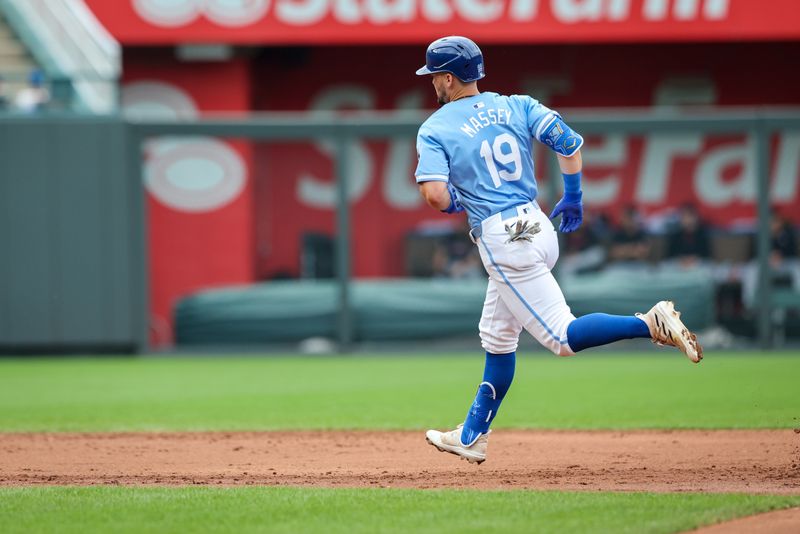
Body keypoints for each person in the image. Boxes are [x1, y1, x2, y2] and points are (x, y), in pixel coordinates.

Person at [415, 36, 703, 465]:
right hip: (538, 223)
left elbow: (436, 195)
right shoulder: (517, 104)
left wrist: (458, 200)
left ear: (448, 77)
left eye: (434, 76)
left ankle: (649, 323)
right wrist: (573, 195)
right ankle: (472, 435)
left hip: (502, 238)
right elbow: (569, 145)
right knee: (497, 337)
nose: (431, 84)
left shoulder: (435, 127)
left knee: (562, 337)